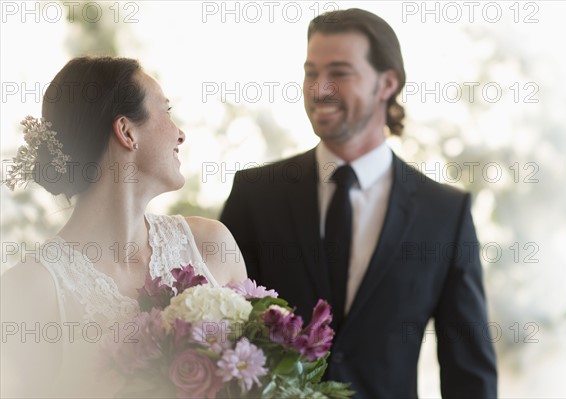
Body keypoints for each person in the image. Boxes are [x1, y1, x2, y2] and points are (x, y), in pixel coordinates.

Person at [220, 8, 497, 398]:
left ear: (386, 83)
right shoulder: (255, 194)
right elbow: (219, 333)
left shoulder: (444, 214)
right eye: (311, 72)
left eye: (339, 72)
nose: (319, 88)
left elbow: (469, 373)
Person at [0, 56, 247, 398]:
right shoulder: (29, 290)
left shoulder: (212, 246)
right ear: (127, 131)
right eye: (167, 110)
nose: (181, 133)